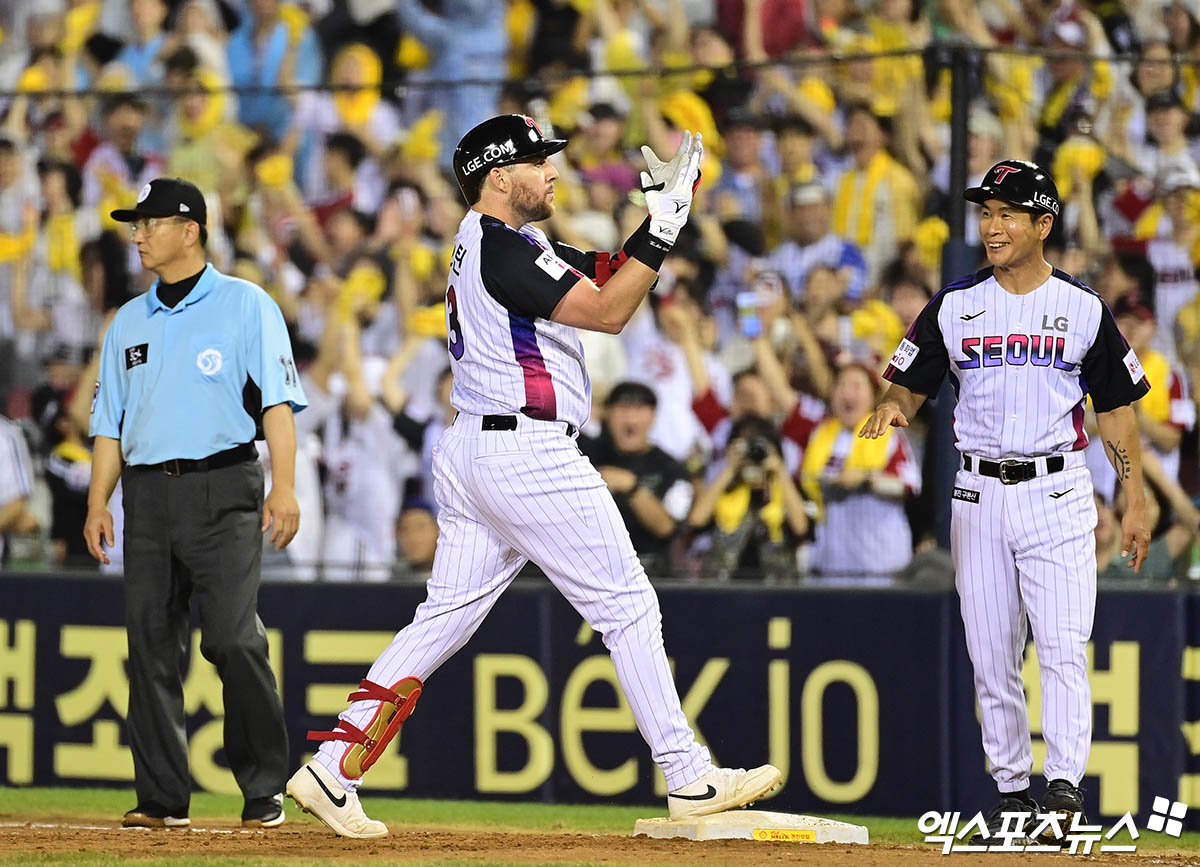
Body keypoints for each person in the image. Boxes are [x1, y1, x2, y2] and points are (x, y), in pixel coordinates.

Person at [285, 115, 780, 838]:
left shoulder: (511, 244)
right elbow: (610, 312)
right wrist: (665, 229)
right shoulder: (497, 246)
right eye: (537, 160)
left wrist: (657, 222)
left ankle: (334, 766)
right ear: (496, 177)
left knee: (444, 617)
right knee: (628, 604)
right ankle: (686, 773)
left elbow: (609, 272)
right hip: (525, 451)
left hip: (479, 450)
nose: (553, 170)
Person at [860, 160, 1151, 844]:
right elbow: (908, 383)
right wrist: (894, 407)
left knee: (1060, 646)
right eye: (986, 212)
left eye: (1007, 213)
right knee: (991, 655)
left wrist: (1133, 499)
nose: (991, 226)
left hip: (1056, 489)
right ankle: (1015, 791)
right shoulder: (955, 304)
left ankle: (1064, 791)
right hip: (977, 491)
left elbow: (1116, 413)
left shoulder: (1082, 308)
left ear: (1043, 223)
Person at [83, 177, 307, 830]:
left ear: (191, 229)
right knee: (149, 643)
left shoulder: (246, 304)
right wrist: (101, 501)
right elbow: (108, 424)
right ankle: (162, 797)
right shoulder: (126, 320)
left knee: (235, 638)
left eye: (150, 222)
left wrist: (284, 484)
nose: (139, 234)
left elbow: (276, 405)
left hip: (224, 486)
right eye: (136, 224)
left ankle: (264, 785)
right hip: (147, 494)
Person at [581, 380, 694, 579]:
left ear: (653, 417)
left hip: (651, 574)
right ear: (607, 413)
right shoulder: (584, 455)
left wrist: (632, 487)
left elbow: (667, 528)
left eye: (639, 409)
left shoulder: (671, 469)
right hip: (589, 570)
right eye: (622, 409)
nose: (630, 418)